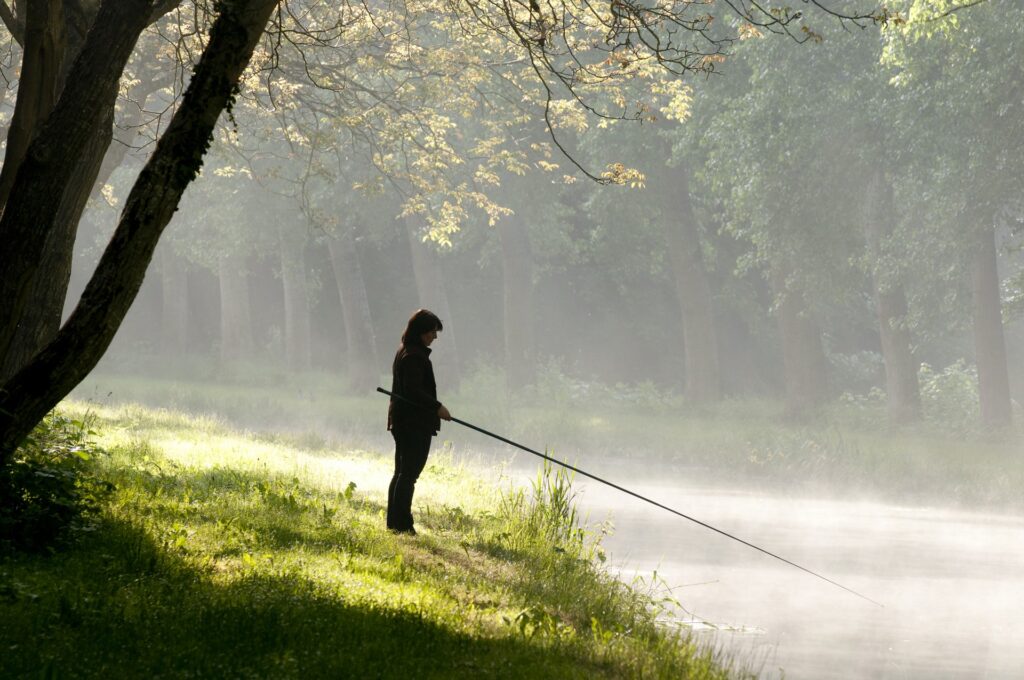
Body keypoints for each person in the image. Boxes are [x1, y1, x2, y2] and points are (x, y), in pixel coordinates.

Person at [386, 309, 452, 534]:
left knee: (402, 473)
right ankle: (403, 526)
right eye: (432, 331)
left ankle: (394, 523)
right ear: (421, 331)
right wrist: (437, 407)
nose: (435, 336)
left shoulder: (406, 350)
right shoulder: (414, 355)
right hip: (412, 423)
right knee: (408, 475)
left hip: (403, 421)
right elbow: (413, 391)